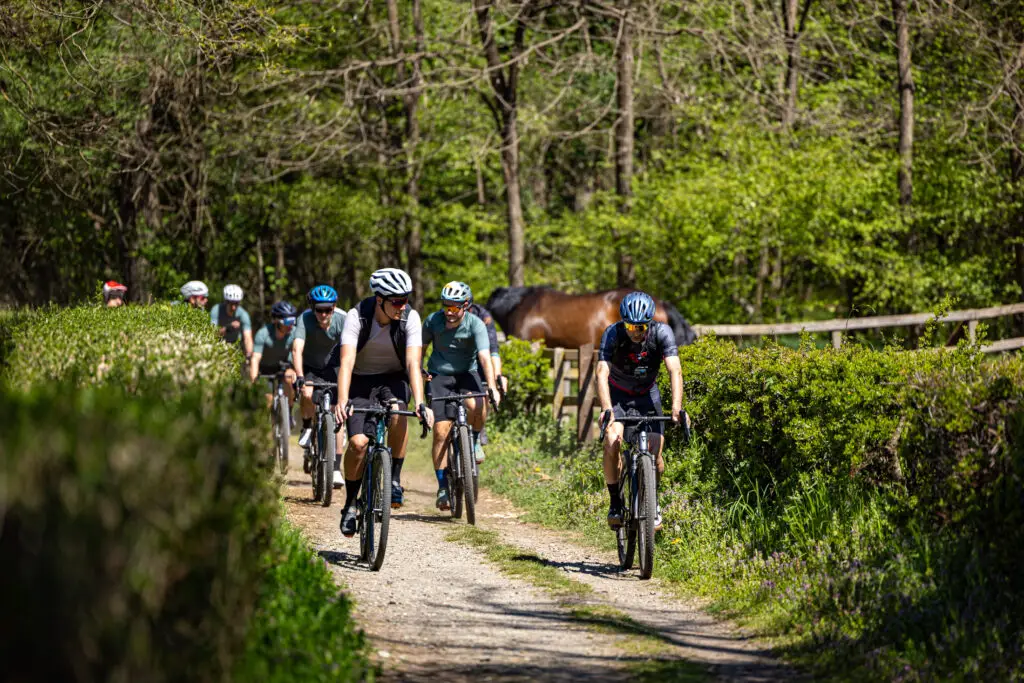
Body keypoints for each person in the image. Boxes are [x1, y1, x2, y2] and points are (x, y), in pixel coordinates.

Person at [333, 268, 434, 537]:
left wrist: (421, 402)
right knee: (357, 444)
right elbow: (346, 363)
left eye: (406, 299)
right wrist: (342, 400)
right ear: (380, 300)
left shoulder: (410, 317)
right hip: (360, 380)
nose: (403, 306)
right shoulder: (357, 316)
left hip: (394, 378)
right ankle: (350, 505)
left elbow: (413, 363)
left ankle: (393, 478)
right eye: (397, 301)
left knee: (399, 411)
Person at [596, 291, 687, 532]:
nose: (636, 332)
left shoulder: (662, 333)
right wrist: (607, 409)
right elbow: (601, 373)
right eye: (630, 326)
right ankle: (615, 501)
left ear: (650, 322)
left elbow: (674, 370)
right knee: (612, 440)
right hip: (618, 396)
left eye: (641, 327)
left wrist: (676, 407)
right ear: (622, 321)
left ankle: (652, 503)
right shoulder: (613, 333)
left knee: (656, 454)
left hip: (647, 395)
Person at [422, 281, 501, 510]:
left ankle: (474, 440)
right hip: (439, 375)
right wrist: (419, 371)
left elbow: (485, 357)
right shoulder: (433, 321)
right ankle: (442, 488)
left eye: (454, 307)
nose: (449, 311)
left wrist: (493, 386)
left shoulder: (476, 324)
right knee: (440, 431)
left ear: (465, 305)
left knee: (477, 403)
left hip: (468, 372)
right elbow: (420, 348)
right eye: (446, 306)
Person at [291, 285, 347, 483]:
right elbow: (297, 349)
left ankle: (336, 468)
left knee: (336, 414)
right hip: (311, 365)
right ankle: (307, 427)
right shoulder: (304, 319)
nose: (323, 314)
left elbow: (352, 350)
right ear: (312, 307)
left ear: (334, 307)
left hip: (334, 366)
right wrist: (299, 376)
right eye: (319, 309)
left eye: (328, 309)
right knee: (307, 394)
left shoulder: (343, 319)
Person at [466, 294, 507, 458]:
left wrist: (498, 377)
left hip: (481, 360)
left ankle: (478, 430)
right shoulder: (449, 316)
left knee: (486, 391)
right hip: (457, 361)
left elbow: (493, 351)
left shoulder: (483, 317)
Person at [250, 300, 299, 410]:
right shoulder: (263, 334)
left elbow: (297, 354)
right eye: (287, 322)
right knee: (268, 399)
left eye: (292, 321)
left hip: (283, 367)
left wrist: (298, 373)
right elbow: (255, 358)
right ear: (277, 321)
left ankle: (289, 412)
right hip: (265, 369)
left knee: (289, 378)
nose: (290, 326)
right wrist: (254, 379)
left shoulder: (295, 333)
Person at [210, 285, 254, 360]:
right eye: (231, 303)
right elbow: (211, 334)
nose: (233, 307)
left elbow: (248, 338)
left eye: (236, 304)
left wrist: (249, 354)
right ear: (226, 302)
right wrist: (227, 328)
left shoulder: (243, 315)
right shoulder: (216, 310)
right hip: (217, 348)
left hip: (235, 350)